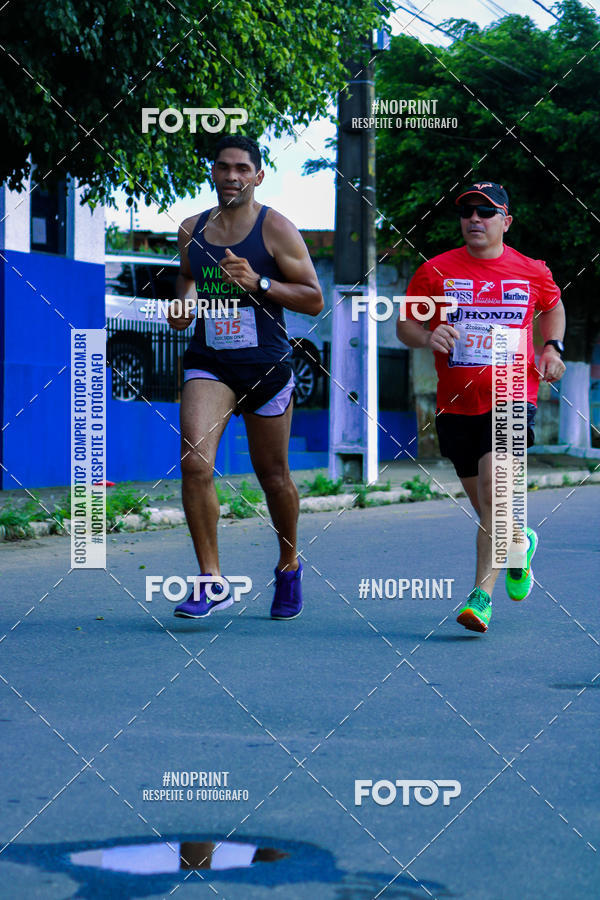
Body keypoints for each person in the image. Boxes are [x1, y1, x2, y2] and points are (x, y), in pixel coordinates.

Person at [397, 182, 566, 633]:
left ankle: (480, 597)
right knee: (490, 507)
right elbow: (406, 325)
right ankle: (519, 541)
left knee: (495, 492)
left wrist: (552, 346)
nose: (475, 218)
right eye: (468, 211)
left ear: (505, 221)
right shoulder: (435, 271)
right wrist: (427, 335)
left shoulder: (531, 271)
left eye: (486, 212)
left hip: (514, 393)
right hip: (456, 406)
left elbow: (552, 306)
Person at [168, 135, 323, 620]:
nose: (231, 176)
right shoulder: (192, 229)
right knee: (195, 464)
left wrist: (259, 282)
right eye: (222, 167)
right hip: (209, 362)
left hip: (265, 367)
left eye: (242, 168)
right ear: (212, 173)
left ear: (257, 176)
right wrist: (184, 305)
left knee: (273, 477)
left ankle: (289, 563)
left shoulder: (276, 228)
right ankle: (211, 580)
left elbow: (314, 298)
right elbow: (188, 279)